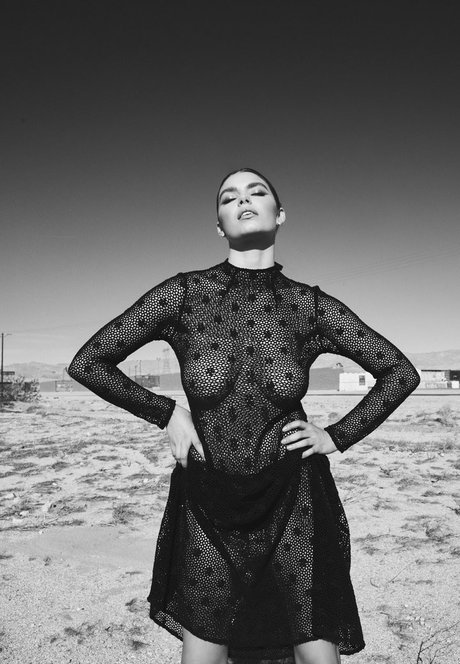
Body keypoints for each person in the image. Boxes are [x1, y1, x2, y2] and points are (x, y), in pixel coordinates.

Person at [67, 167, 420, 664]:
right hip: (208, 498)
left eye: (257, 192)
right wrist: (167, 413)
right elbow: (89, 362)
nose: (243, 200)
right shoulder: (184, 295)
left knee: (315, 650)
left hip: (295, 495)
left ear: (280, 215)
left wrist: (335, 436)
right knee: (204, 652)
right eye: (229, 197)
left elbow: (399, 372)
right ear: (219, 225)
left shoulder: (308, 306)